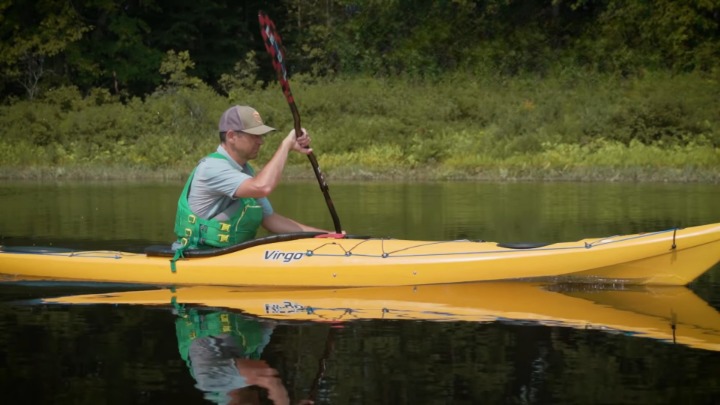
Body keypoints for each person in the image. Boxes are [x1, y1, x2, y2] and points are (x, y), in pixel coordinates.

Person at [172, 105, 328, 257]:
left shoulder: (245, 170)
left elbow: (269, 219)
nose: (261, 141)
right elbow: (263, 187)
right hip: (197, 255)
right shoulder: (213, 168)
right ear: (231, 136)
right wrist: (286, 145)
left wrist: (323, 236)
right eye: (255, 135)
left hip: (227, 255)